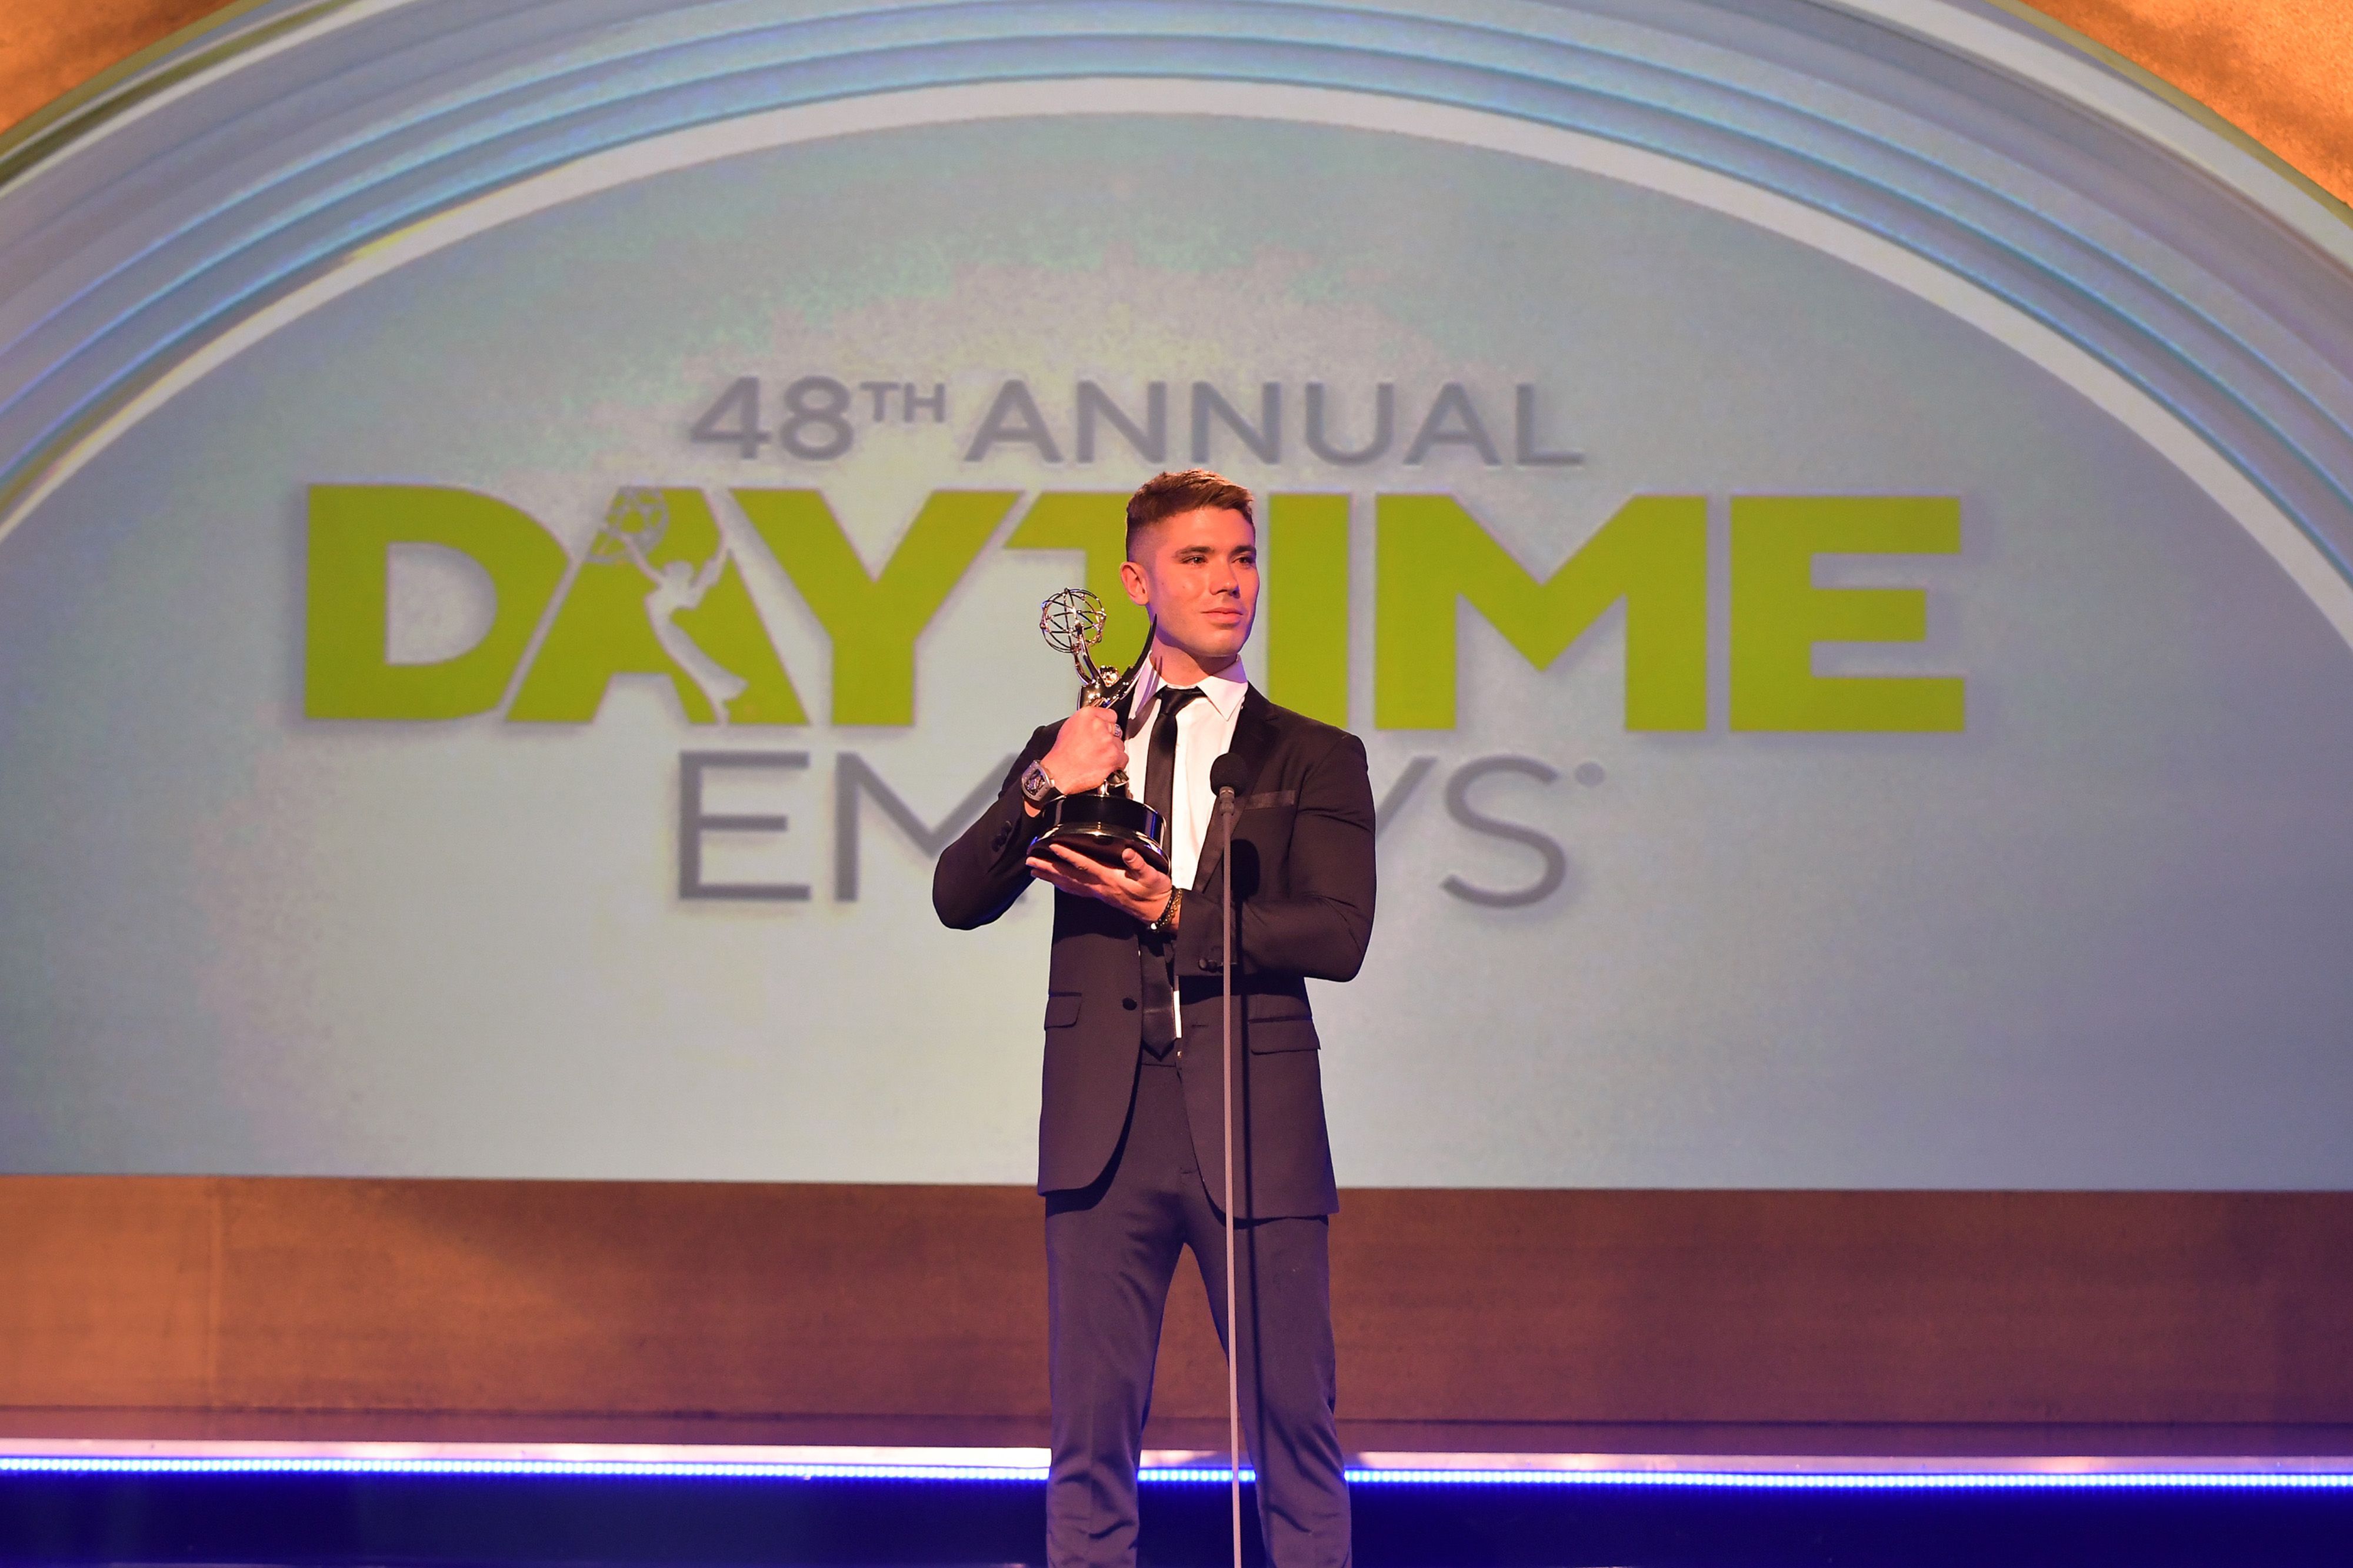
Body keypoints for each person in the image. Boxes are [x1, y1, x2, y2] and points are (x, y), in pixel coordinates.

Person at [934, 468, 1376, 1567]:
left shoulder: (1309, 753)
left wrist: (1177, 907)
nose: (1231, 582)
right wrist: (1043, 781)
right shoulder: (1077, 738)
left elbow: (1338, 932)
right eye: (1198, 559)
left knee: (1297, 1441)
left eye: (1245, 557)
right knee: (1089, 1451)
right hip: (1103, 1136)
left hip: (1251, 1126)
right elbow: (957, 895)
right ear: (1137, 581)